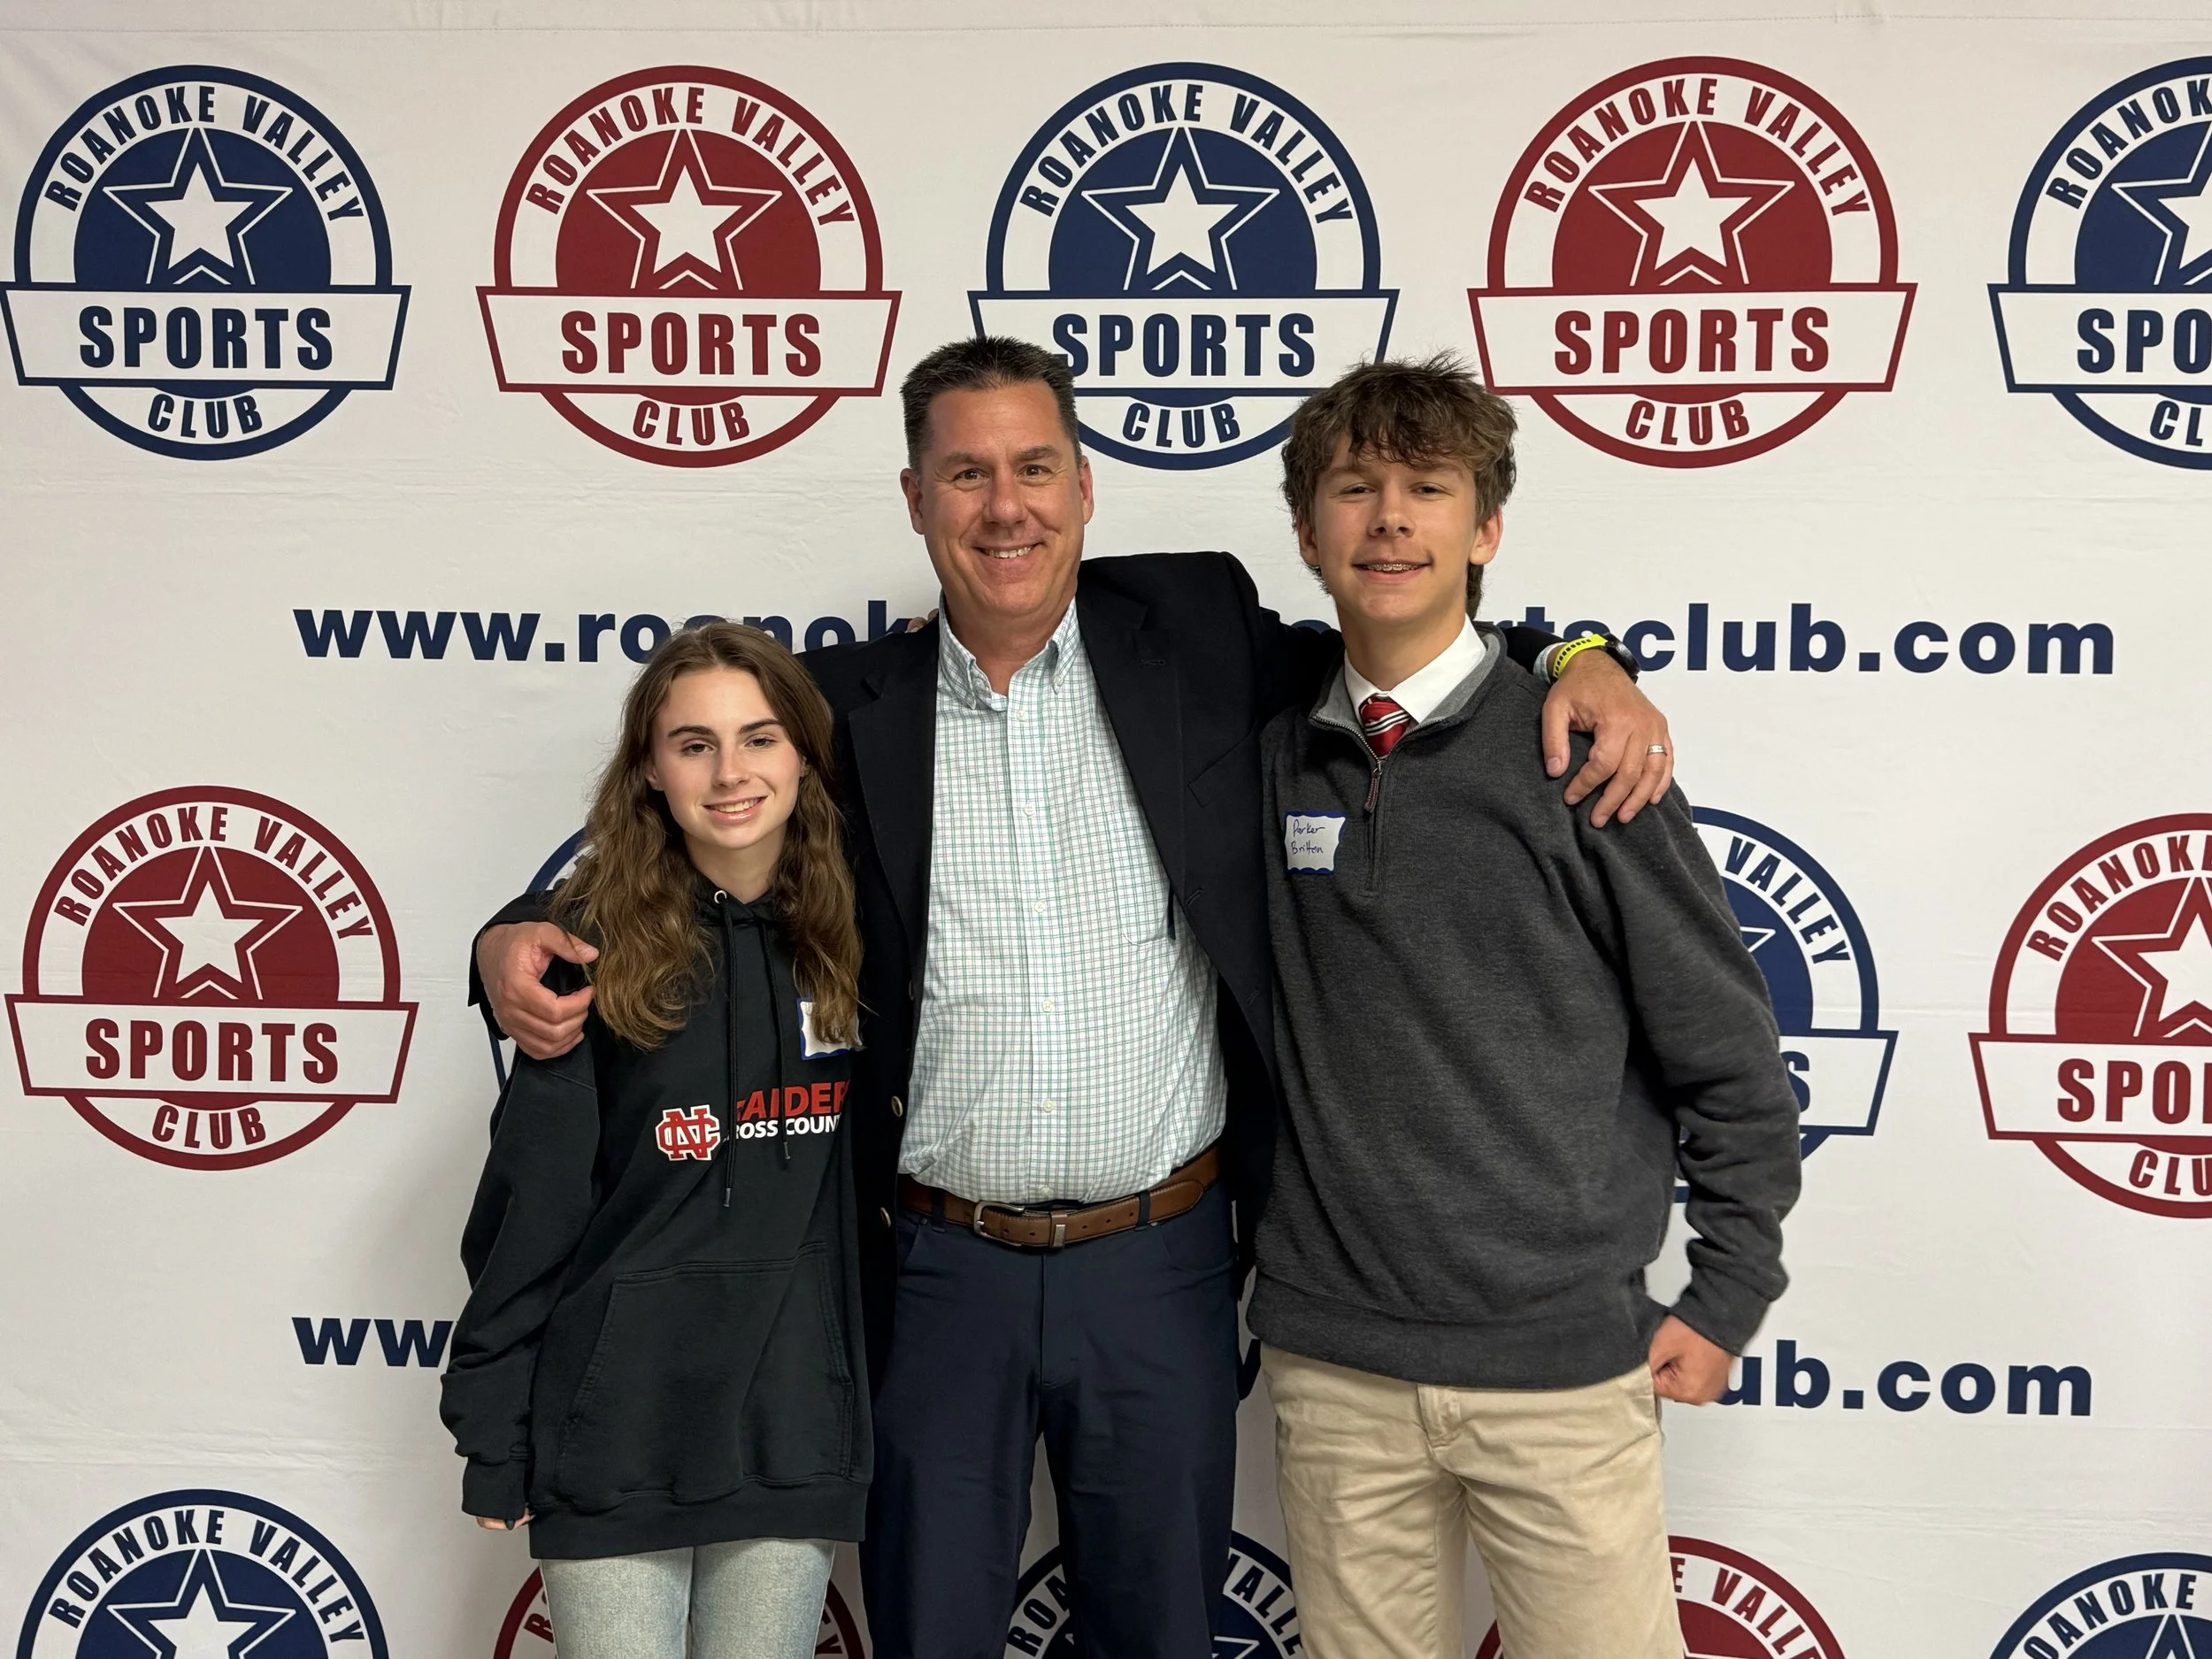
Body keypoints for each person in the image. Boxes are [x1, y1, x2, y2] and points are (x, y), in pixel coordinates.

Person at [471, 337, 1673, 1659]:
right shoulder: (841, 709)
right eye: (968, 472)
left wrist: (1576, 656)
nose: (1007, 505)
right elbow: (691, 835)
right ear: (917, 498)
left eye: (1036, 467)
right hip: (934, 1274)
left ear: (1087, 487)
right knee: (930, 1630)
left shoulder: (1199, 634)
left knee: (1160, 1630)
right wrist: (511, 937)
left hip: (1158, 1260)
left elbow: (1402, 637)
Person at [1249, 355, 1803, 1659]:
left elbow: (1728, 1052)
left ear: (1484, 529)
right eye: (1355, 486)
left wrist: (1729, 1290)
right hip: (1337, 1366)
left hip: (1559, 1361)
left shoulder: (1585, 754)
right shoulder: (1264, 742)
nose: (1390, 517)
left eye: (1428, 488)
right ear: (1306, 528)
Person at [440, 623, 868, 1659]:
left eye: (759, 738)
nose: (731, 773)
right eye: (693, 744)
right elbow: (528, 1205)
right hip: (614, 1428)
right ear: (649, 769)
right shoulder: (583, 951)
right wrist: (493, 1428)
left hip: (790, 1428)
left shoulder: (868, 926)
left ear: (803, 753)